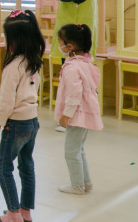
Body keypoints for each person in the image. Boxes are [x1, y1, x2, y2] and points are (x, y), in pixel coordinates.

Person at [0, 10, 45, 222]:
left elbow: (7, 100)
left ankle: (13, 215)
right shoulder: (34, 61)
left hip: (16, 123)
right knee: (26, 166)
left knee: (3, 168)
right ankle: (25, 212)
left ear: (15, 39)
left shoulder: (13, 66)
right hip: (32, 121)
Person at [54, 24, 103, 195]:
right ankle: (86, 182)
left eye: (60, 42)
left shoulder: (72, 68)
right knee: (79, 149)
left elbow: (73, 95)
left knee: (71, 152)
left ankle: (77, 186)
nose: (58, 45)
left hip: (76, 114)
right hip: (85, 112)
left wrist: (66, 115)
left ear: (70, 46)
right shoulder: (86, 63)